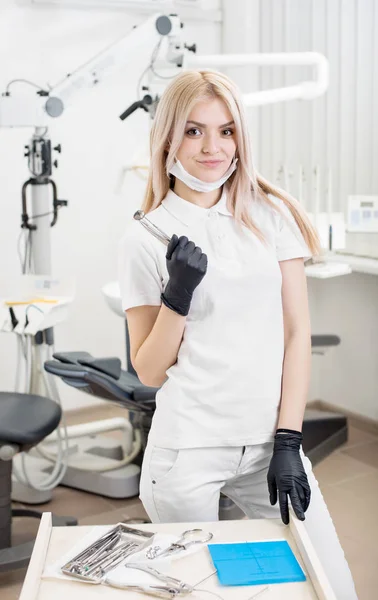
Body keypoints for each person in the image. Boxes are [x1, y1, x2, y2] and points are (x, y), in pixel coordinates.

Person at [118, 69, 357, 599]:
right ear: (168, 138)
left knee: (331, 584)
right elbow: (149, 369)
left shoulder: (269, 216)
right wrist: (176, 299)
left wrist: (290, 439)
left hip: (271, 442)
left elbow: (297, 333)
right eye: (194, 130)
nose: (213, 147)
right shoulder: (146, 235)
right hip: (187, 451)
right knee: (201, 592)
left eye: (226, 131)